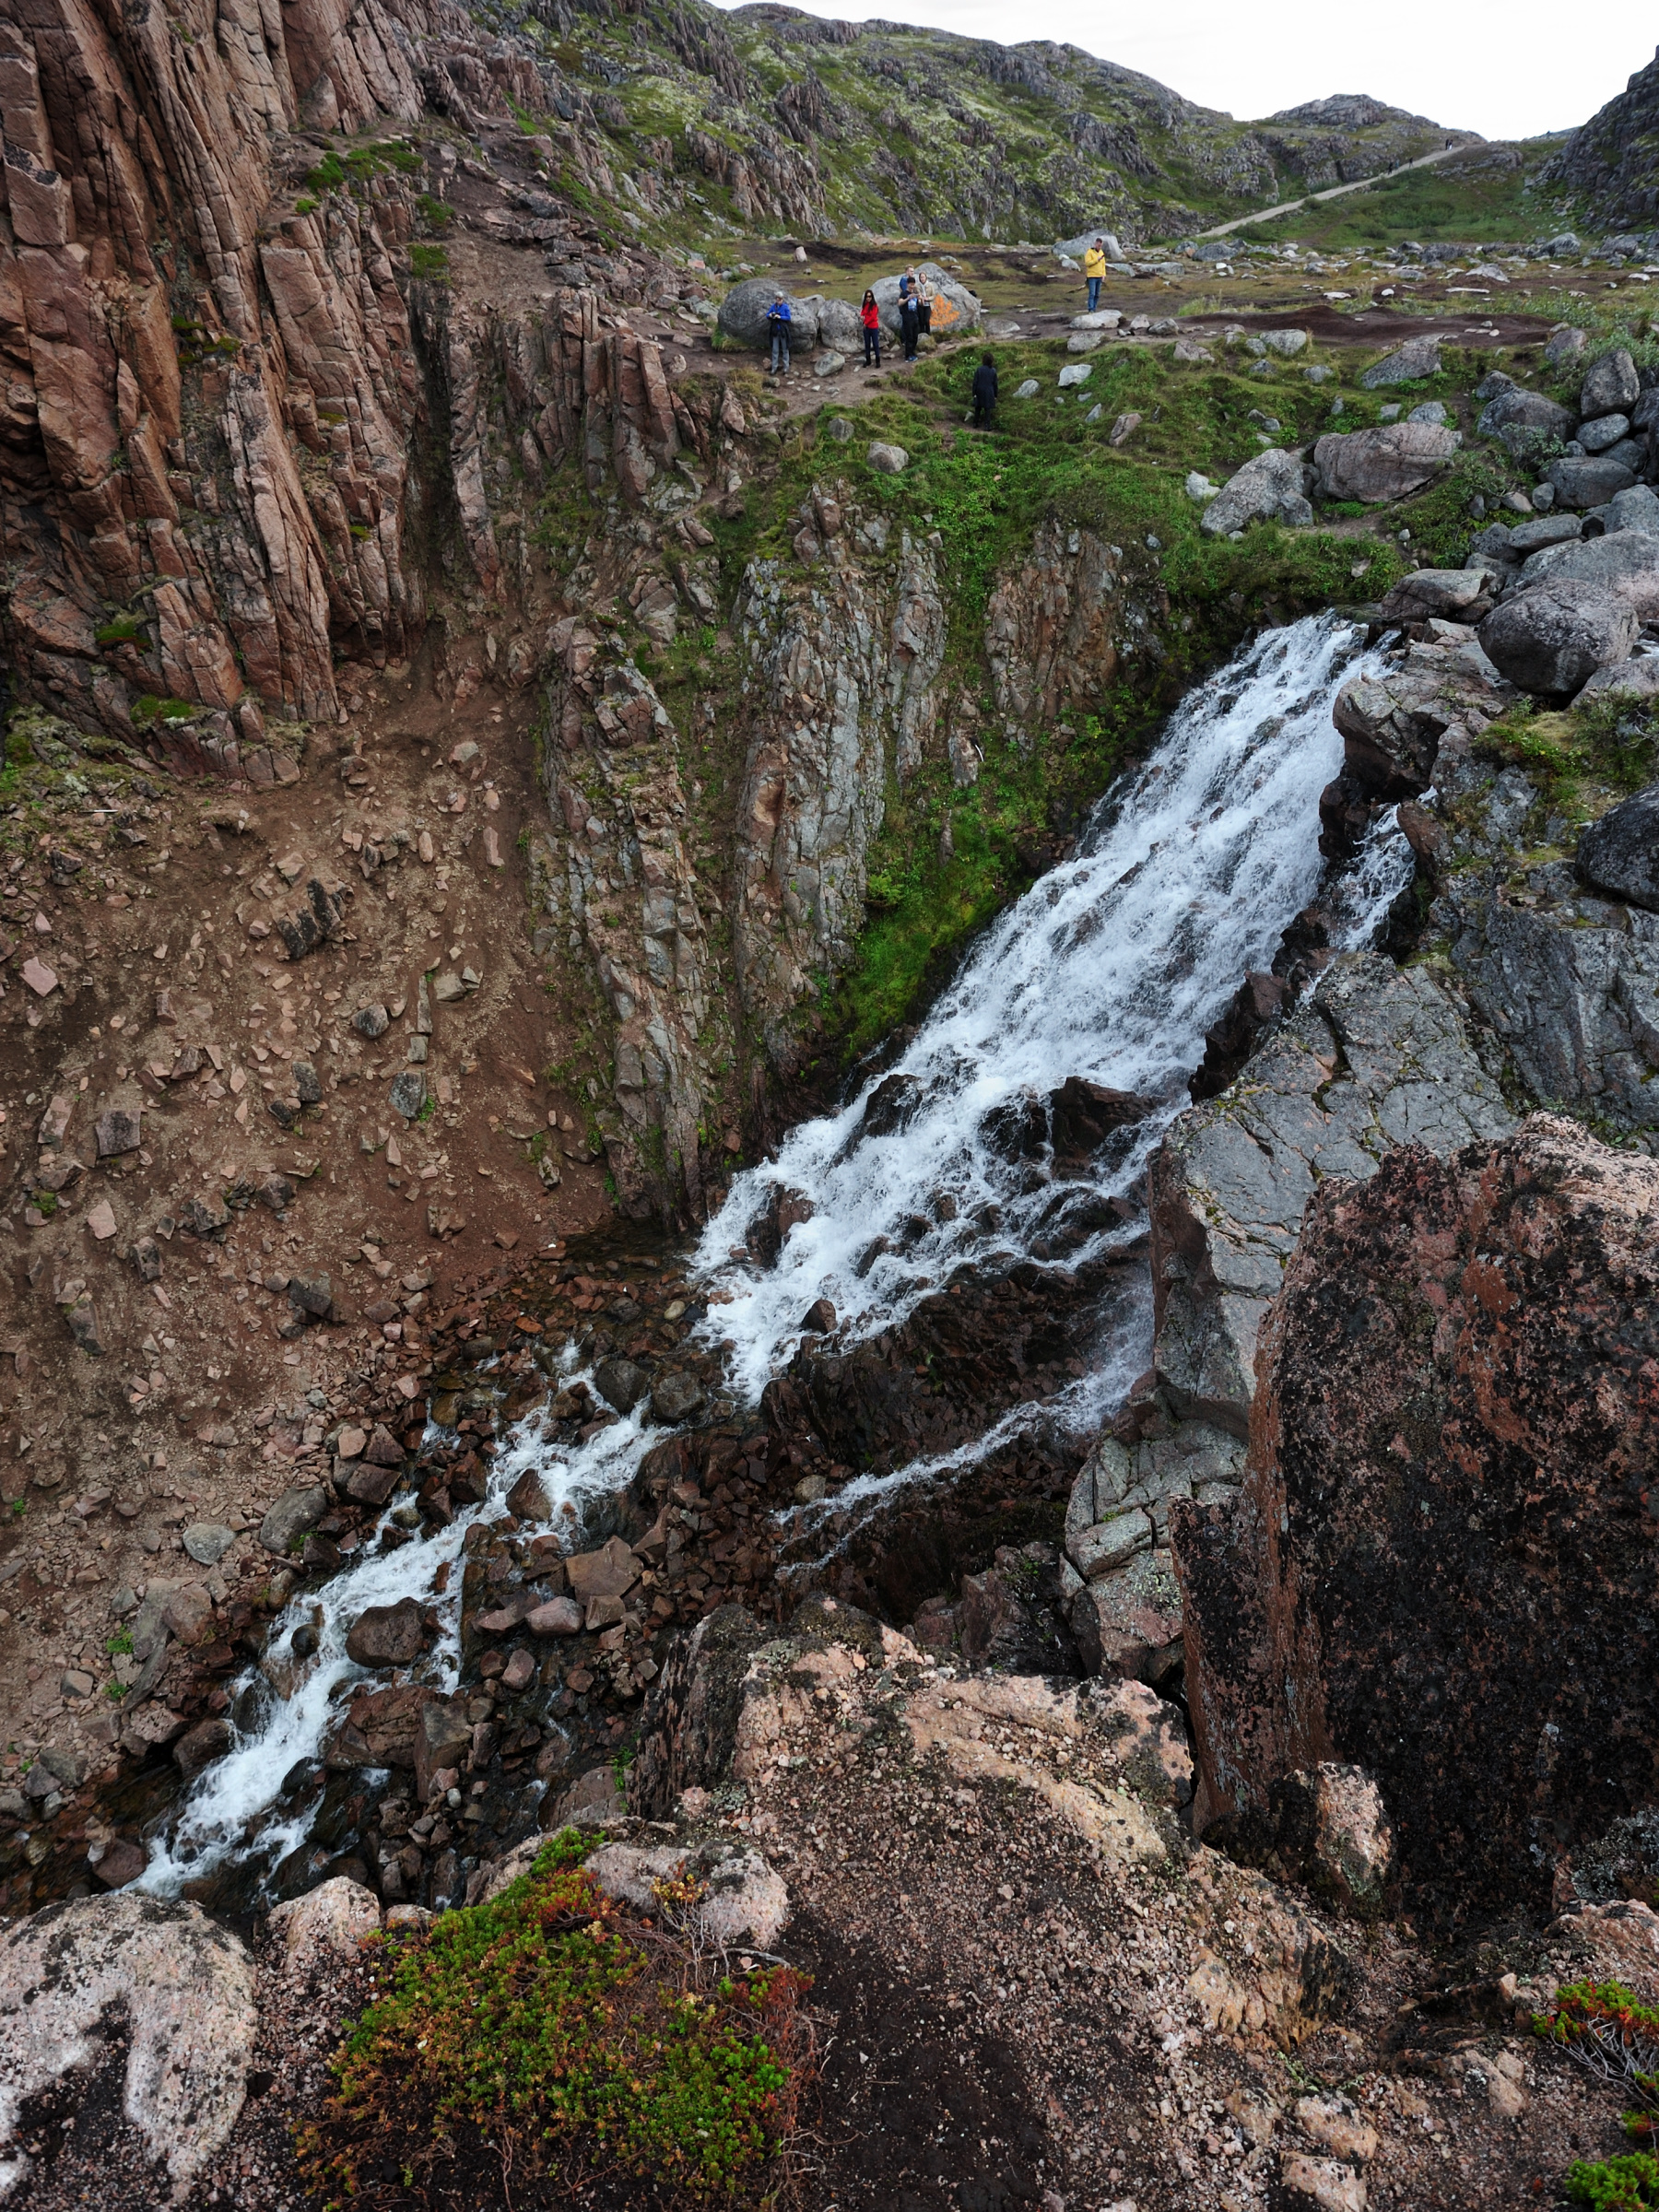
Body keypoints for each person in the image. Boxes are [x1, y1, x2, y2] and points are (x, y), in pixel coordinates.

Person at [767, 289, 792, 375]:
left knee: (785, 349)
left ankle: (786, 367)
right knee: (775, 350)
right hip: (775, 331)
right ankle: (774, 368)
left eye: (780, 299)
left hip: (783, 330)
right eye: (777, 299)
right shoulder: (773, 307)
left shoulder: (785, 307)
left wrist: (780, 317)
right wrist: (770, 315)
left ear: (782, 299)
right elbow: (767, 315)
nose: (779, 301)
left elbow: (788, 317)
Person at [971, 350, 997, 429]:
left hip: (979, 390)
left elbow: (975, 382)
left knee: (978, 408)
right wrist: (995, 394)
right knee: (987, 409)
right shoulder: (993, 370)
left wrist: (974, 393)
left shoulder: (979, 369)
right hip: (989, 391)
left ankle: (975, 423)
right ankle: (987, 425)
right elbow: (995, 384)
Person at [1083, 236, 1107, 313]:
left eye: (1101, 246)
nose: (1100, 247)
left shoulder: (1101, 252)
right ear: (1096, 244)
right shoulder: (1089, 252)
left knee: (1097, 294)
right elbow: (1087, 263)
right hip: (1092, 276)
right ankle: (1091, 309)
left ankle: (1094, 308)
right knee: (1092, 293)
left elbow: (1103, 265)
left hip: (1099, 276)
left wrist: (1103, 274)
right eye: (1099, 245)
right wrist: (1097, 260)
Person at [898, 280, 920, 362]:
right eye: (911, 284)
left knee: (915, 337)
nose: (912, 286)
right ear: (907, 284)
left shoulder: (915, 293)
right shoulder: (904, 293)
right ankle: (908, 356)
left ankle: (913, 353)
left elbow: (918, 304)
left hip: (915, 317)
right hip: (907, 318)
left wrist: (920, 299)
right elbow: (899, 303)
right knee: (909, 337)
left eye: (913, 285)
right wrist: (908, 298)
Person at [860, 288, 882, 367]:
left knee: (876, 344)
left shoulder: (874, 306)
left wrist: (865, 323)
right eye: (867, 296)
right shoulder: (865, 305)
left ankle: (878, 361)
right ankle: (868, 360)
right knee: (867, 344)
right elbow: (862, 312)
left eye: (869, 296)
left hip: (873, 327)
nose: (868, 298)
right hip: (867, 328)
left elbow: (873, 316)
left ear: (872, 297)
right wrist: (862, 316)